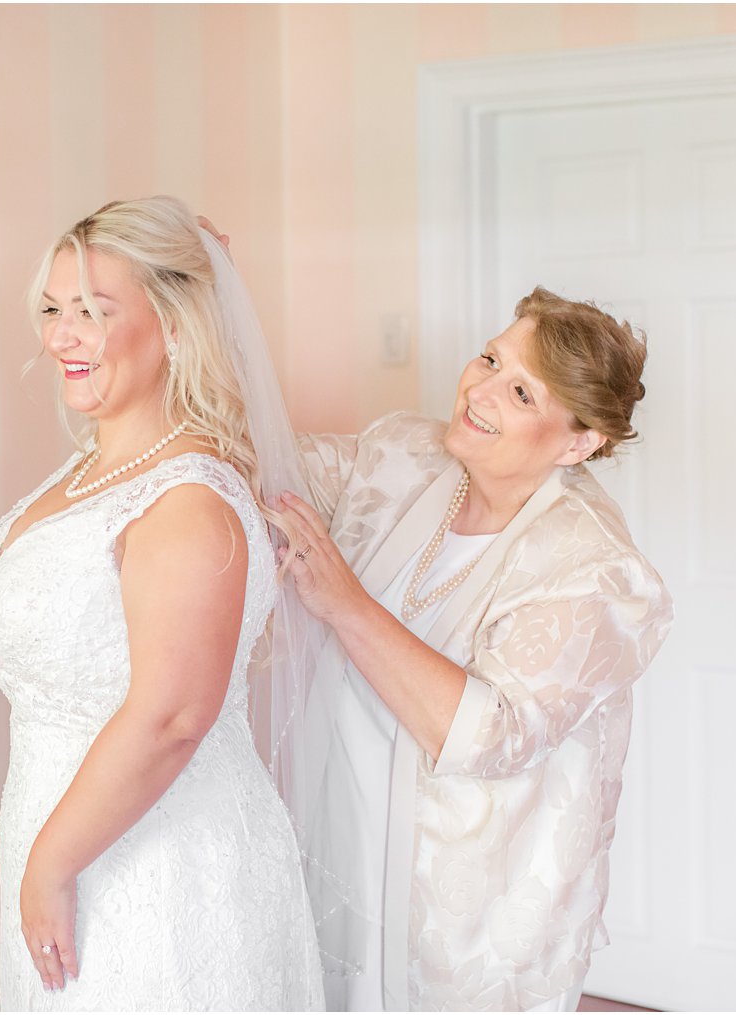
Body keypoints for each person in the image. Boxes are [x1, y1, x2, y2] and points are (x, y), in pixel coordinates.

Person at [0, 196, 325, 1011]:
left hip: (165, 861)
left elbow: (171, 718)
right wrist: (33, 832)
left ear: (172, 324)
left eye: (92, 311)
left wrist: (50, 857)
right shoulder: (87, 467)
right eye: (54, 309)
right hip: (71, 839)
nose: (60, 335)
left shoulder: (188, 500)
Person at [272, 288, 673, 1011]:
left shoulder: (595, 571)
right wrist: (208, 310)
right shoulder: (405, 455)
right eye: (490, 357)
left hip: (461, 913)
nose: (478, 389)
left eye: (519, 391)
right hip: (342, 847)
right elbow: (273, 473)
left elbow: (492, 736)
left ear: (579, 441)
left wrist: (348, 605)